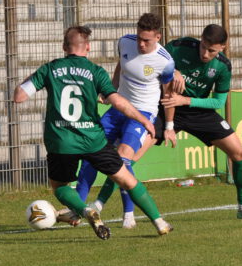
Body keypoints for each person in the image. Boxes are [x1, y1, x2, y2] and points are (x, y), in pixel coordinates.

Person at [12, 26, 173, 238]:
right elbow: (117, 101)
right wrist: (143, 119)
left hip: (61, 141)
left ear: (64, 47)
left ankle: (85, 210)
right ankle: (160, 222)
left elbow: (19, 96)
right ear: (87, 47)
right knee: (127, 179)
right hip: (93, 140)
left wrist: (37, 75)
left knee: (59, 186)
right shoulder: (95, 71)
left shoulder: (50, 69)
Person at [75, 13, 177, 229]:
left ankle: (128, 214)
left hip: (143, 113)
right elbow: (122, 65)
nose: (140, 43)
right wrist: (110, 91)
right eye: (139, 37)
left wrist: (169, 126)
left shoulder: (165, 61)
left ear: (158, 37)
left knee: (122, 158)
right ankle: (77, 208)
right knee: (90, 153)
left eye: (146, 40)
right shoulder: (124, 42)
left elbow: (168, 96)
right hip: (118, 108)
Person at [154, 24, 242, 219]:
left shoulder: (223, 66)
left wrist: (187, 100)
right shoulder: (180, 47)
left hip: (199, 112)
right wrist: (173, 70)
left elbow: (219, 102)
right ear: (200, 39)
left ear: (223, 47)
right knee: (131, 152)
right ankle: (104, 204)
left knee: (239, 153)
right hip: (168, 106)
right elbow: (154, 58)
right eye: (203, 46)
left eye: (211, 50)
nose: (205, 53)